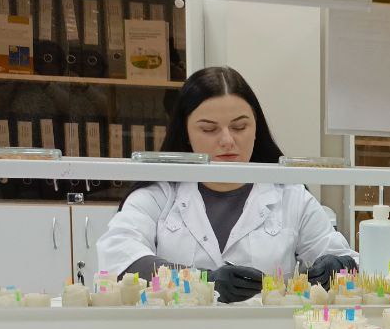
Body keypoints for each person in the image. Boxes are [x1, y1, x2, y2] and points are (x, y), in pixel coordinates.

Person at [98, 66, 358, 303]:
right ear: (185, 133)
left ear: (256, 129)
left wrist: (338, 265)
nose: (227, 140)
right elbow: (118, 256)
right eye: (208, 129)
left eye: (240, 127)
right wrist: (202, 280)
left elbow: (347, 259)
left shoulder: (291, 196)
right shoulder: (159, 193)